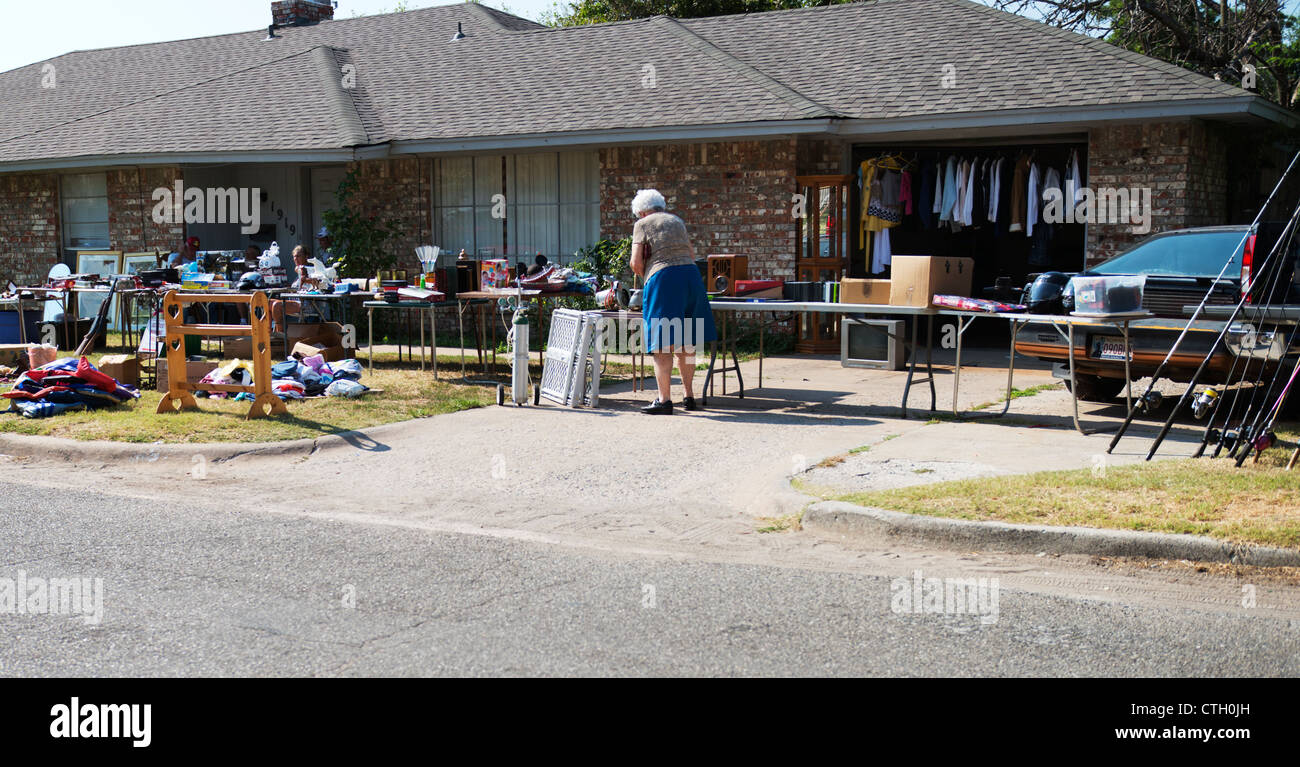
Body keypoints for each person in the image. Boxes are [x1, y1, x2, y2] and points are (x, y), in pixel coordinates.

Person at [629, 189, 717, 415]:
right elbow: (690, 252)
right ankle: (689, 396)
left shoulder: (643, 223)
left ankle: (664, 400)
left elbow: (635, 262)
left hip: (664, 278)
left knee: (661, 343)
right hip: (691, 276)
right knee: (686, 341)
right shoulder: (677, 221)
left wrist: (646, 276)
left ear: (641, 211)